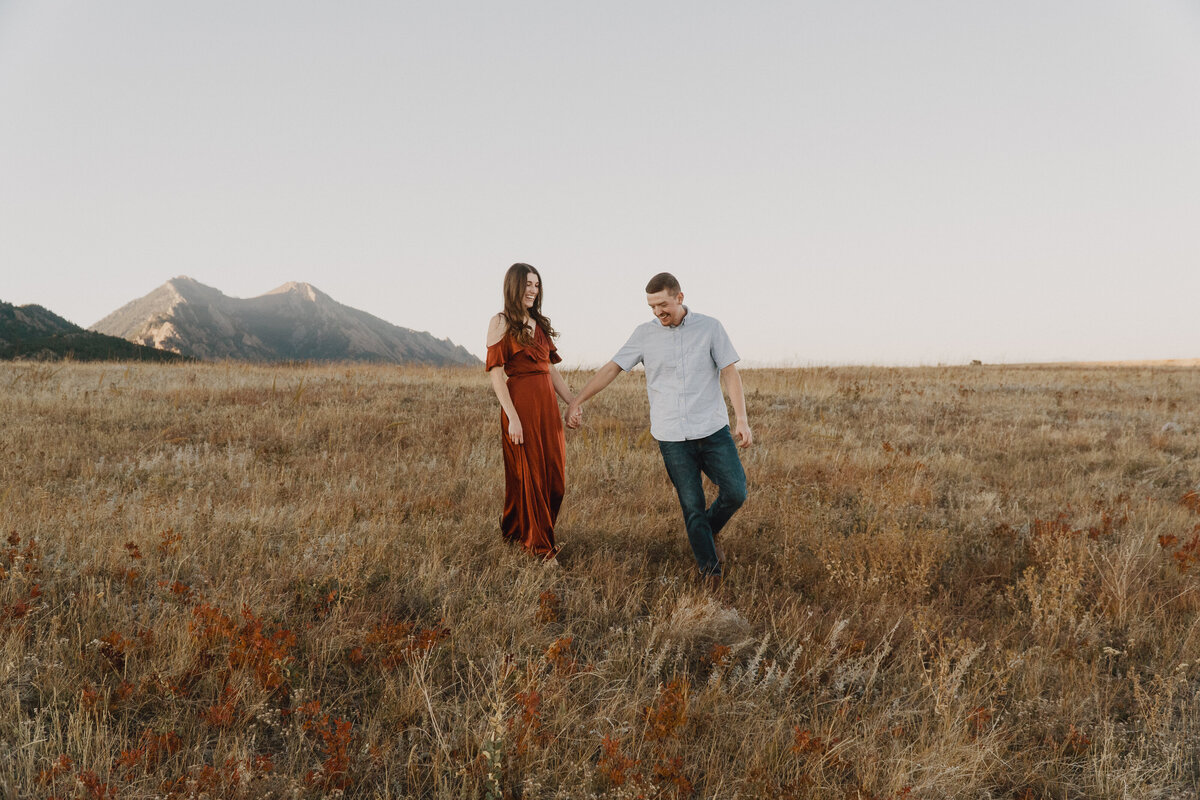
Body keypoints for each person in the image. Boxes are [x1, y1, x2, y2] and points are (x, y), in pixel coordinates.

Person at [567, 272, 750, 588]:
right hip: (671, 437)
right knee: (691, 506)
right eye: (652, 307)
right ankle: (711, 574)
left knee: (736, 492)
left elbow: (730, 373)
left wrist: (742, 419)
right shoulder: (644, 334)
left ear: (679, 297)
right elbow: (612, 368)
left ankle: (708, 530)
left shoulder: (710, 328)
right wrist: (577, 400)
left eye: (662, 305)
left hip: (711, 430)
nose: (657, 313)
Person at [486, 263, 574, 560]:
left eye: (536, 285)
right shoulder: (501, 322)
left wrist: (572, 402)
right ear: (514, 286)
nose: (533, 290)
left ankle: (523, 531)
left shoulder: (540, 324)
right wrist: (512, 417)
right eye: (527, 284)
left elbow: (550, 370)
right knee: (531, 476)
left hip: (547, 406)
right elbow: (497, 374)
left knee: (555, 480)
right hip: (520, 406)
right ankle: (540, 547)